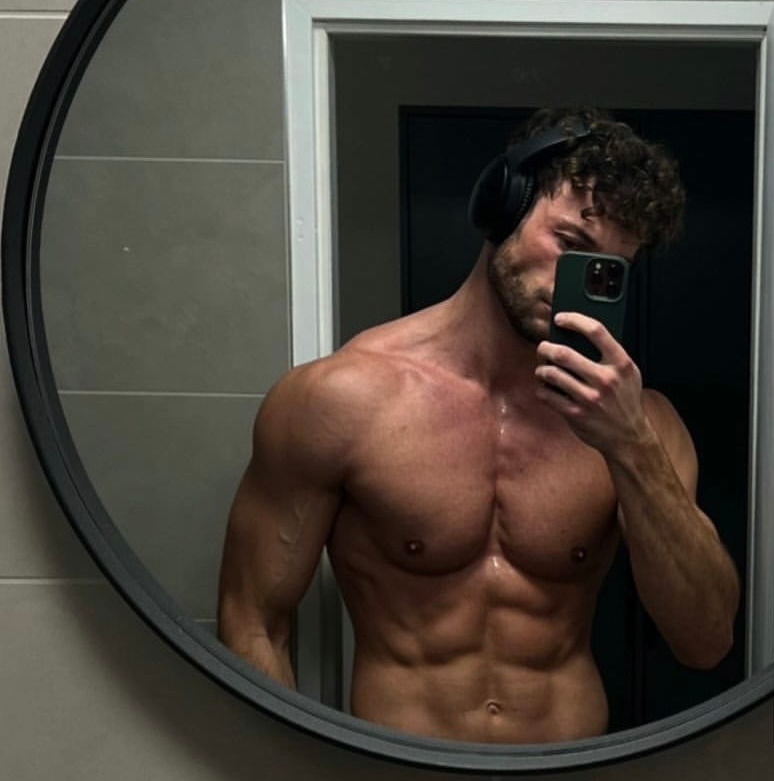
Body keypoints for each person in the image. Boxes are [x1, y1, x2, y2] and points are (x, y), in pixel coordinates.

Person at [217, 108, 740, 744]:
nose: (576, 280)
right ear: (503, 208)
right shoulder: (340, 399)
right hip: (399, 769)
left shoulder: (642, 424)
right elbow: (253, 622)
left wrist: (630, 446)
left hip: (569, 766)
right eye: (569, 244)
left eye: (609, 267)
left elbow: (706, 641)